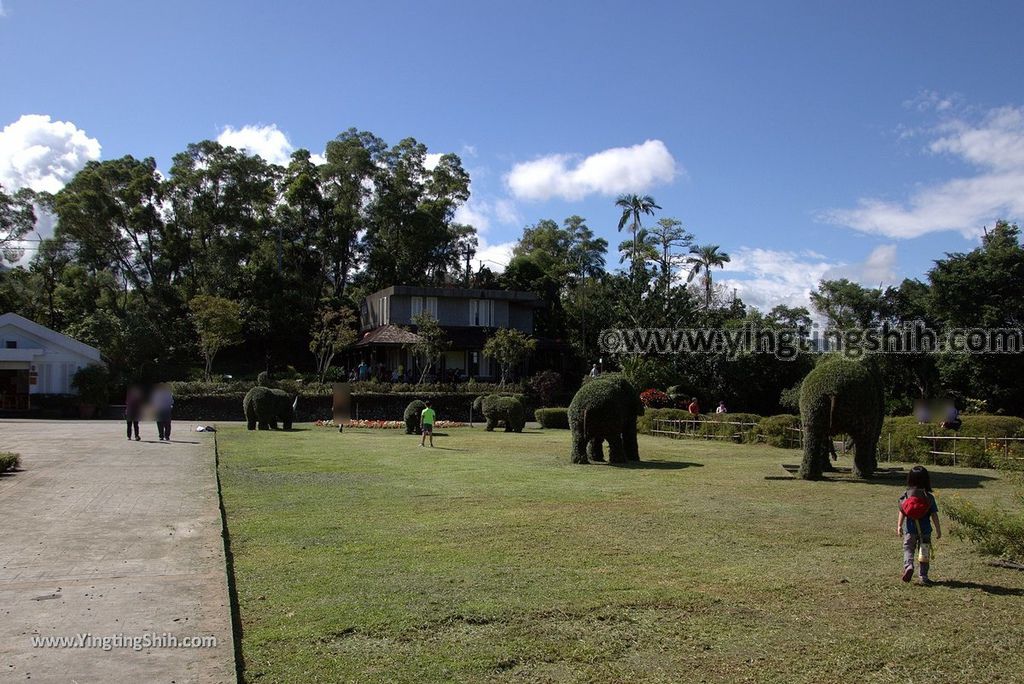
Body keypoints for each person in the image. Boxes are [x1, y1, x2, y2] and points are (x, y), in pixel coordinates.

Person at [897, 465, 941, 585]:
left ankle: (909, 566)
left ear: (909, 479)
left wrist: (899, 526)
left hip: (910, 530)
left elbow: (902, 512)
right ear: (926, 480)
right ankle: (923, 576)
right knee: (924, 553)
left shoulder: (906, 496)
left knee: (908, 549)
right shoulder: (929, 497)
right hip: (925, 530)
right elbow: (934, 515)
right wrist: (938, 529)